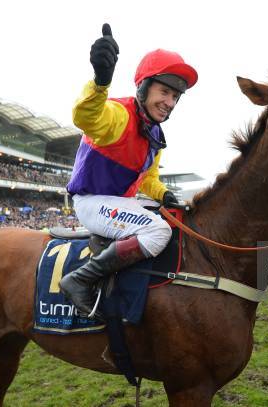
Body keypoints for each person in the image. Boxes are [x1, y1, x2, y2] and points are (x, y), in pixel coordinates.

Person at [59, 23, 198, 319]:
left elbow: (148, 180)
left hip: (120, 202)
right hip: (92, 201)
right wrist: (100, 81)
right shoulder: (119, 114)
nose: (169, 103)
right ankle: (80, 279)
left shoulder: (155, 136)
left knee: (172, 218)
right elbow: (86, 116)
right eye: (164, 92)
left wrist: (166, 194)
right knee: (157, 229)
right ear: (145, 88)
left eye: (175, 97)